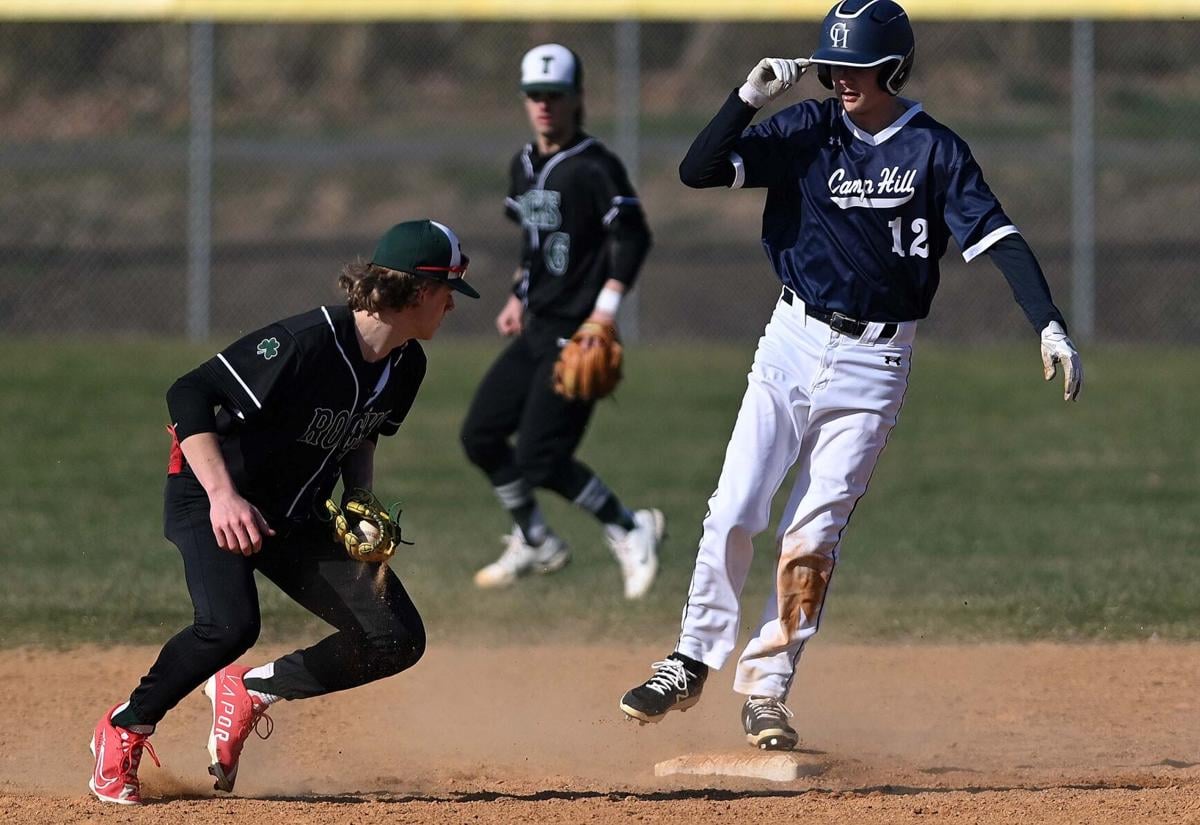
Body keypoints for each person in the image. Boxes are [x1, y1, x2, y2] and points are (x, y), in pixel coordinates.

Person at [618, 0, 1083, 750]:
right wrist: (747, 98)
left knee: (814, 534)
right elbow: (696, 170)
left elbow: (1000, 238)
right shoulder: (807, 131)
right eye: (834, 66)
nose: (842, 80)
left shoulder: (935, 150)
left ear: (893, 68)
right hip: (791, 343)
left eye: (859, 68)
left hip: (876, 361)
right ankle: (692, 657)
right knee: (735, 502)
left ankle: (767, 688)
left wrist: (1049, 322)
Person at [87, 220, 478, 805]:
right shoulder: (306, 341)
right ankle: (124, 728)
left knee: (394, 636)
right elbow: (189, 393)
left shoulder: (406, 365)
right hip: (210, 492)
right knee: (230, 625)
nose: (452, 305)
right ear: (418, 290)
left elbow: (363, 434)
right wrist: (223, 495)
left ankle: (249, 691)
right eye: (449, 290)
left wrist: (359, 499)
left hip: (292, 510)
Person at [460, 43, 661, 600]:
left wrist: (606, 310)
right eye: (535, 96)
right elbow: (534, 242)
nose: (544, 105)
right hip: (537, 325)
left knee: (540, 457)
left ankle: (629, 525)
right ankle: (535, 539)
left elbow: (634, 234)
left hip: (579, 330)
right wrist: (516, 295)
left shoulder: (595, 165)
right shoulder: (523, 165)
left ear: (577, 99)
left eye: (555, 95)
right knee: (480, 436)